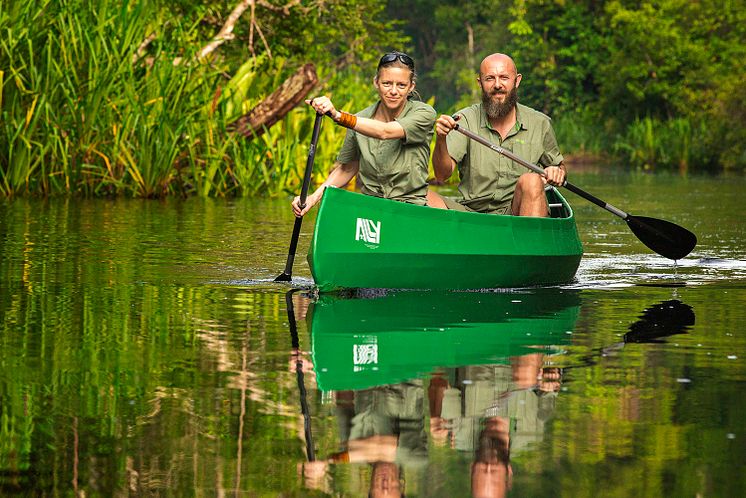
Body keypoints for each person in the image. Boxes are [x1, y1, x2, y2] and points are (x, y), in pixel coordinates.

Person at [292, 51, 437, 217]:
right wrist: (312, 198)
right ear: (376, 82)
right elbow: (347, 168)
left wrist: (338, 116)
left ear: (411, 87)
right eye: (387, 83)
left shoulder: (424, 113)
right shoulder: (360, 118)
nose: (394, 91)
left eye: (402, 85)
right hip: (371, 206)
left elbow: (385, 131)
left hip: (410, 207)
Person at [429, 53, 566, 217]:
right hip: (471, 213)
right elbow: (441, 175)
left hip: (518, 213)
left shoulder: (540, 123)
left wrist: (557, 172)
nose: (497, 85)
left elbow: (559, 167)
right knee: (418, 193)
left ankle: (529, 239)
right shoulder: (464, 120)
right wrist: (442, 138)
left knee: (532, 181)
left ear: (517, 81)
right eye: (490, 79)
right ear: (480, 83)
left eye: (504, 77)